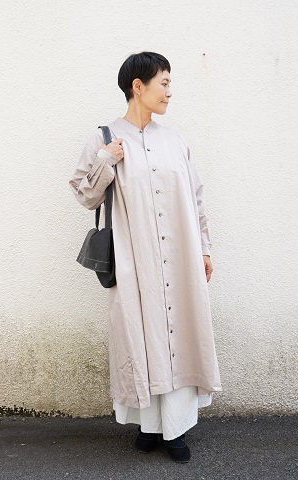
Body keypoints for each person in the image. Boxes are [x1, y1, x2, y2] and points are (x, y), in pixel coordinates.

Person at [69, 51, 222, 463]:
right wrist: (107, 160)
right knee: (142, 335)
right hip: (135, 259)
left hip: (181, 256)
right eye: (164, 83)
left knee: (181, 333)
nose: (170, 92)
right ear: (138, 87)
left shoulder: (175, 141)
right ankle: (149, 426)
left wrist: (204, 248)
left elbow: (196, 198)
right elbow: (85, 195)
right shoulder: (104, 139)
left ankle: (175, 429)